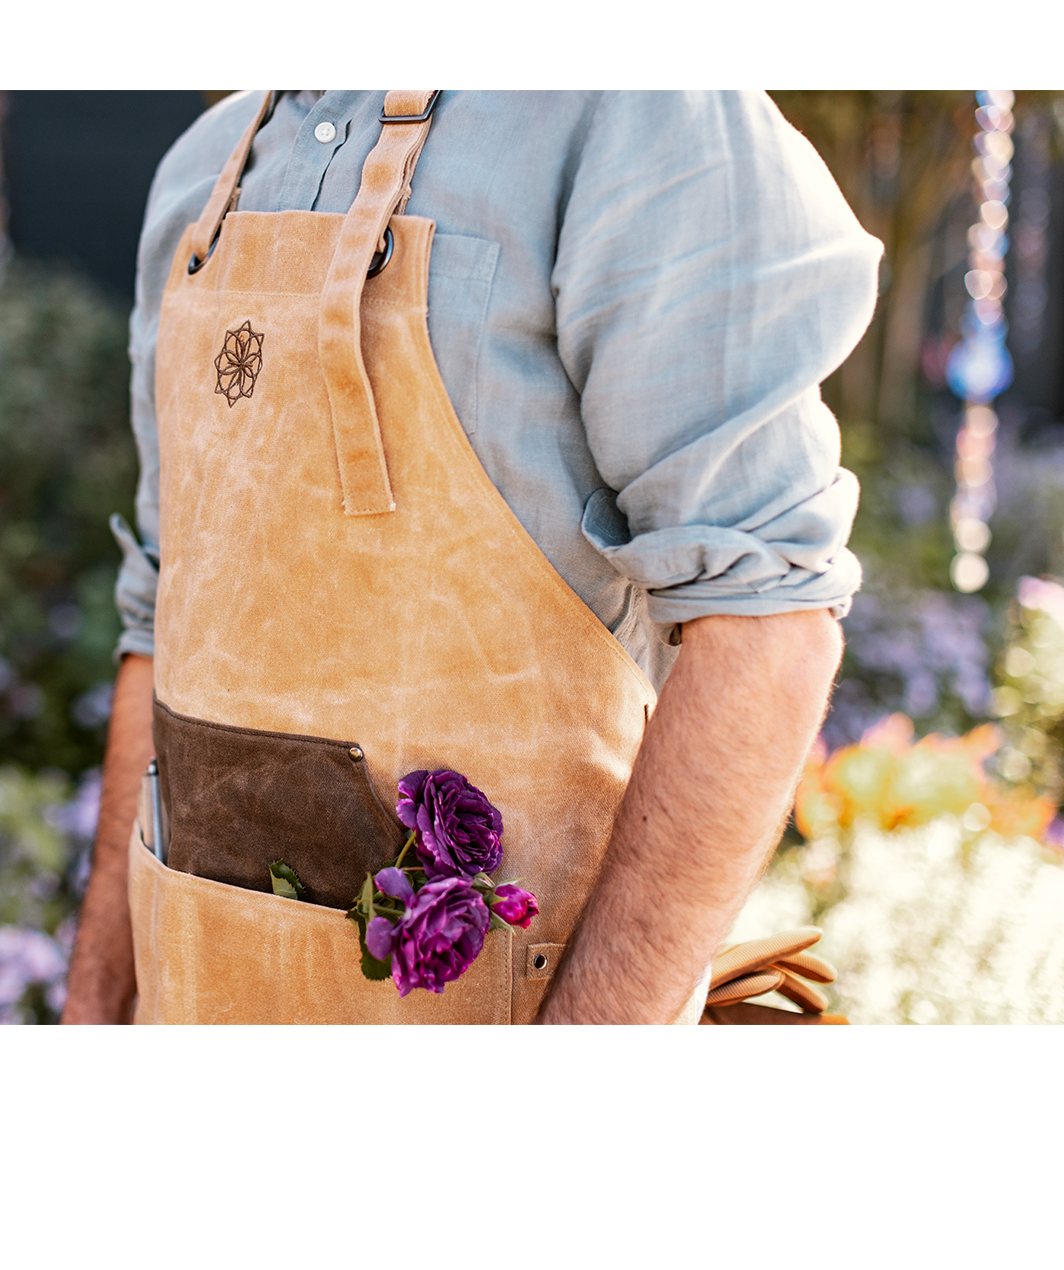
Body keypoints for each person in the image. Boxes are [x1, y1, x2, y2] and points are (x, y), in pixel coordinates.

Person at [62, 90, 881, 1025]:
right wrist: (92, 1012)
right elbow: (158, 621)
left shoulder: (638, 117)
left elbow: (766, 633)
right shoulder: (199, 172)